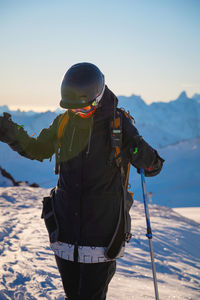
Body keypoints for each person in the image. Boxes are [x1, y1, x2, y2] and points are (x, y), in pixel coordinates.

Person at [0, 62, 164, 299]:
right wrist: (9, 131)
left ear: (97, 97)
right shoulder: (64, 122)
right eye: (72, 108)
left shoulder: (118, 125)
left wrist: (141, 153)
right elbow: (37, 148)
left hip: (102, 239)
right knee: (72, 295)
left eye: (82, 108)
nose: (77, 113)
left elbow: (152, 166)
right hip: (65, 234)